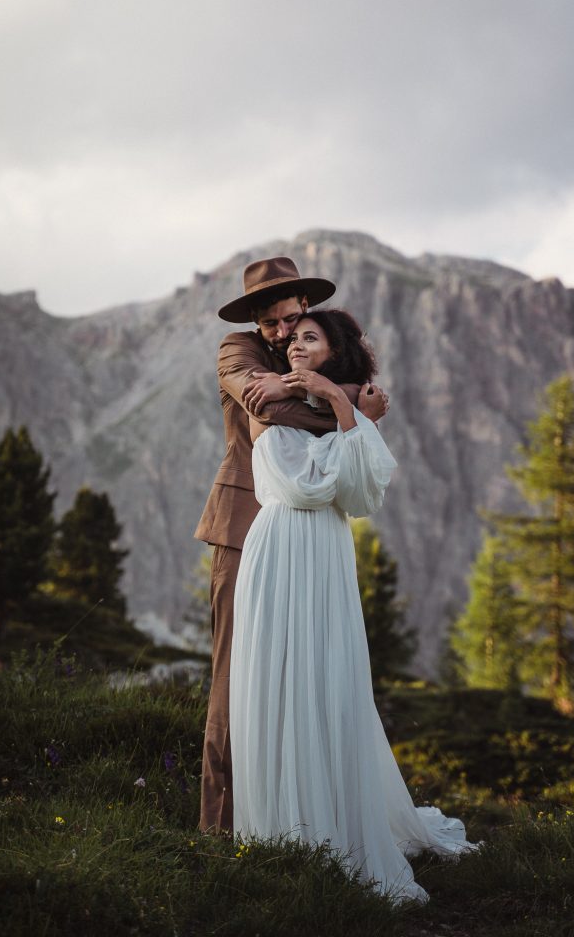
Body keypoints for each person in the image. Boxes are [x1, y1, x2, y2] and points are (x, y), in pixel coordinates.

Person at [229, 310, 478, 903]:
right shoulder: (265, 404)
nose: (292, 346)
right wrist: (345, 414)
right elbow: (304, 487)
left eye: (308, 338)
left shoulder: (336, 411)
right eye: (290, 339)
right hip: (282, 545)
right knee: (281, 681)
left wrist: (336, 404)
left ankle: (336, 817)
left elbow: (362, 494)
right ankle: (282, 830)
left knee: (328, 682)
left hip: (327, 552)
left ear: (333, 352)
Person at [195, 258, 388, 834]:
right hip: (243, 527)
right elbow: (267, 406)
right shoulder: (237, 352)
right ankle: (220, 827)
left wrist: (334, 392)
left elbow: (368, 390)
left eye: (295, 318)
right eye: (275, 322)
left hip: (308, 535)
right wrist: (350, 409)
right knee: (236, 681)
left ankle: (304, 818)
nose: (285, 332)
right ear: (257, 320)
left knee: (311, 678)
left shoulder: (311, 354)